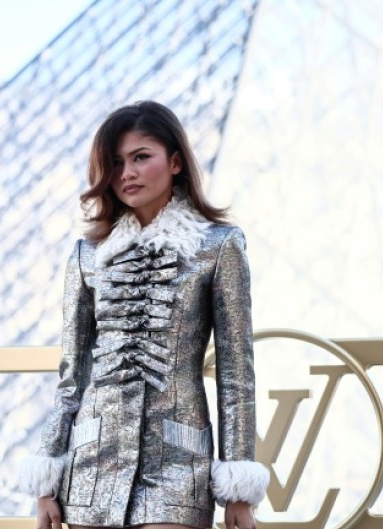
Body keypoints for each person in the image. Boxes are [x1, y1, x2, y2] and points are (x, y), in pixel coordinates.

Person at [19, 101, 268, 529]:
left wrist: (238, 487)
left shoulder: (219, 246)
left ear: (175, 162)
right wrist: (47, 475)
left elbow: (236, 374)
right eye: (115, 163)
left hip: (178, 462)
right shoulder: (87, 254)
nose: (126, 174)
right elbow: (72, 373)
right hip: (91, 465)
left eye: (140, 157)